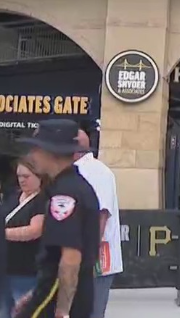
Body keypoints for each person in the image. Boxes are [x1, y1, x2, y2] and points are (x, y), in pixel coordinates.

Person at [12, 119, 99, 318]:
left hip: (56, 295)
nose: (32, 155)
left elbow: (70, 259)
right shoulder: (70, 186)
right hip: (55, 291)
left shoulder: (65, 194)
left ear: (50, 152)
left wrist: (62, 310)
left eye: (36, 148)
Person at [73, 129, 122, 318]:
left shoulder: (96, 172)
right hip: (82, 257)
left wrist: (87, 259)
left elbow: (100, 217)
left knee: (91, 312)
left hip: (96, 261)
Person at [4, 161, 46, 316]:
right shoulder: (13, 196)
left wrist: (4, 234)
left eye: (26, 176)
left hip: (26, 269)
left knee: (22, 311)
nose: (22, 180)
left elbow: (35, 230)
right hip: (6, 268)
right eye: (19, 176)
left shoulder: (42, 200)